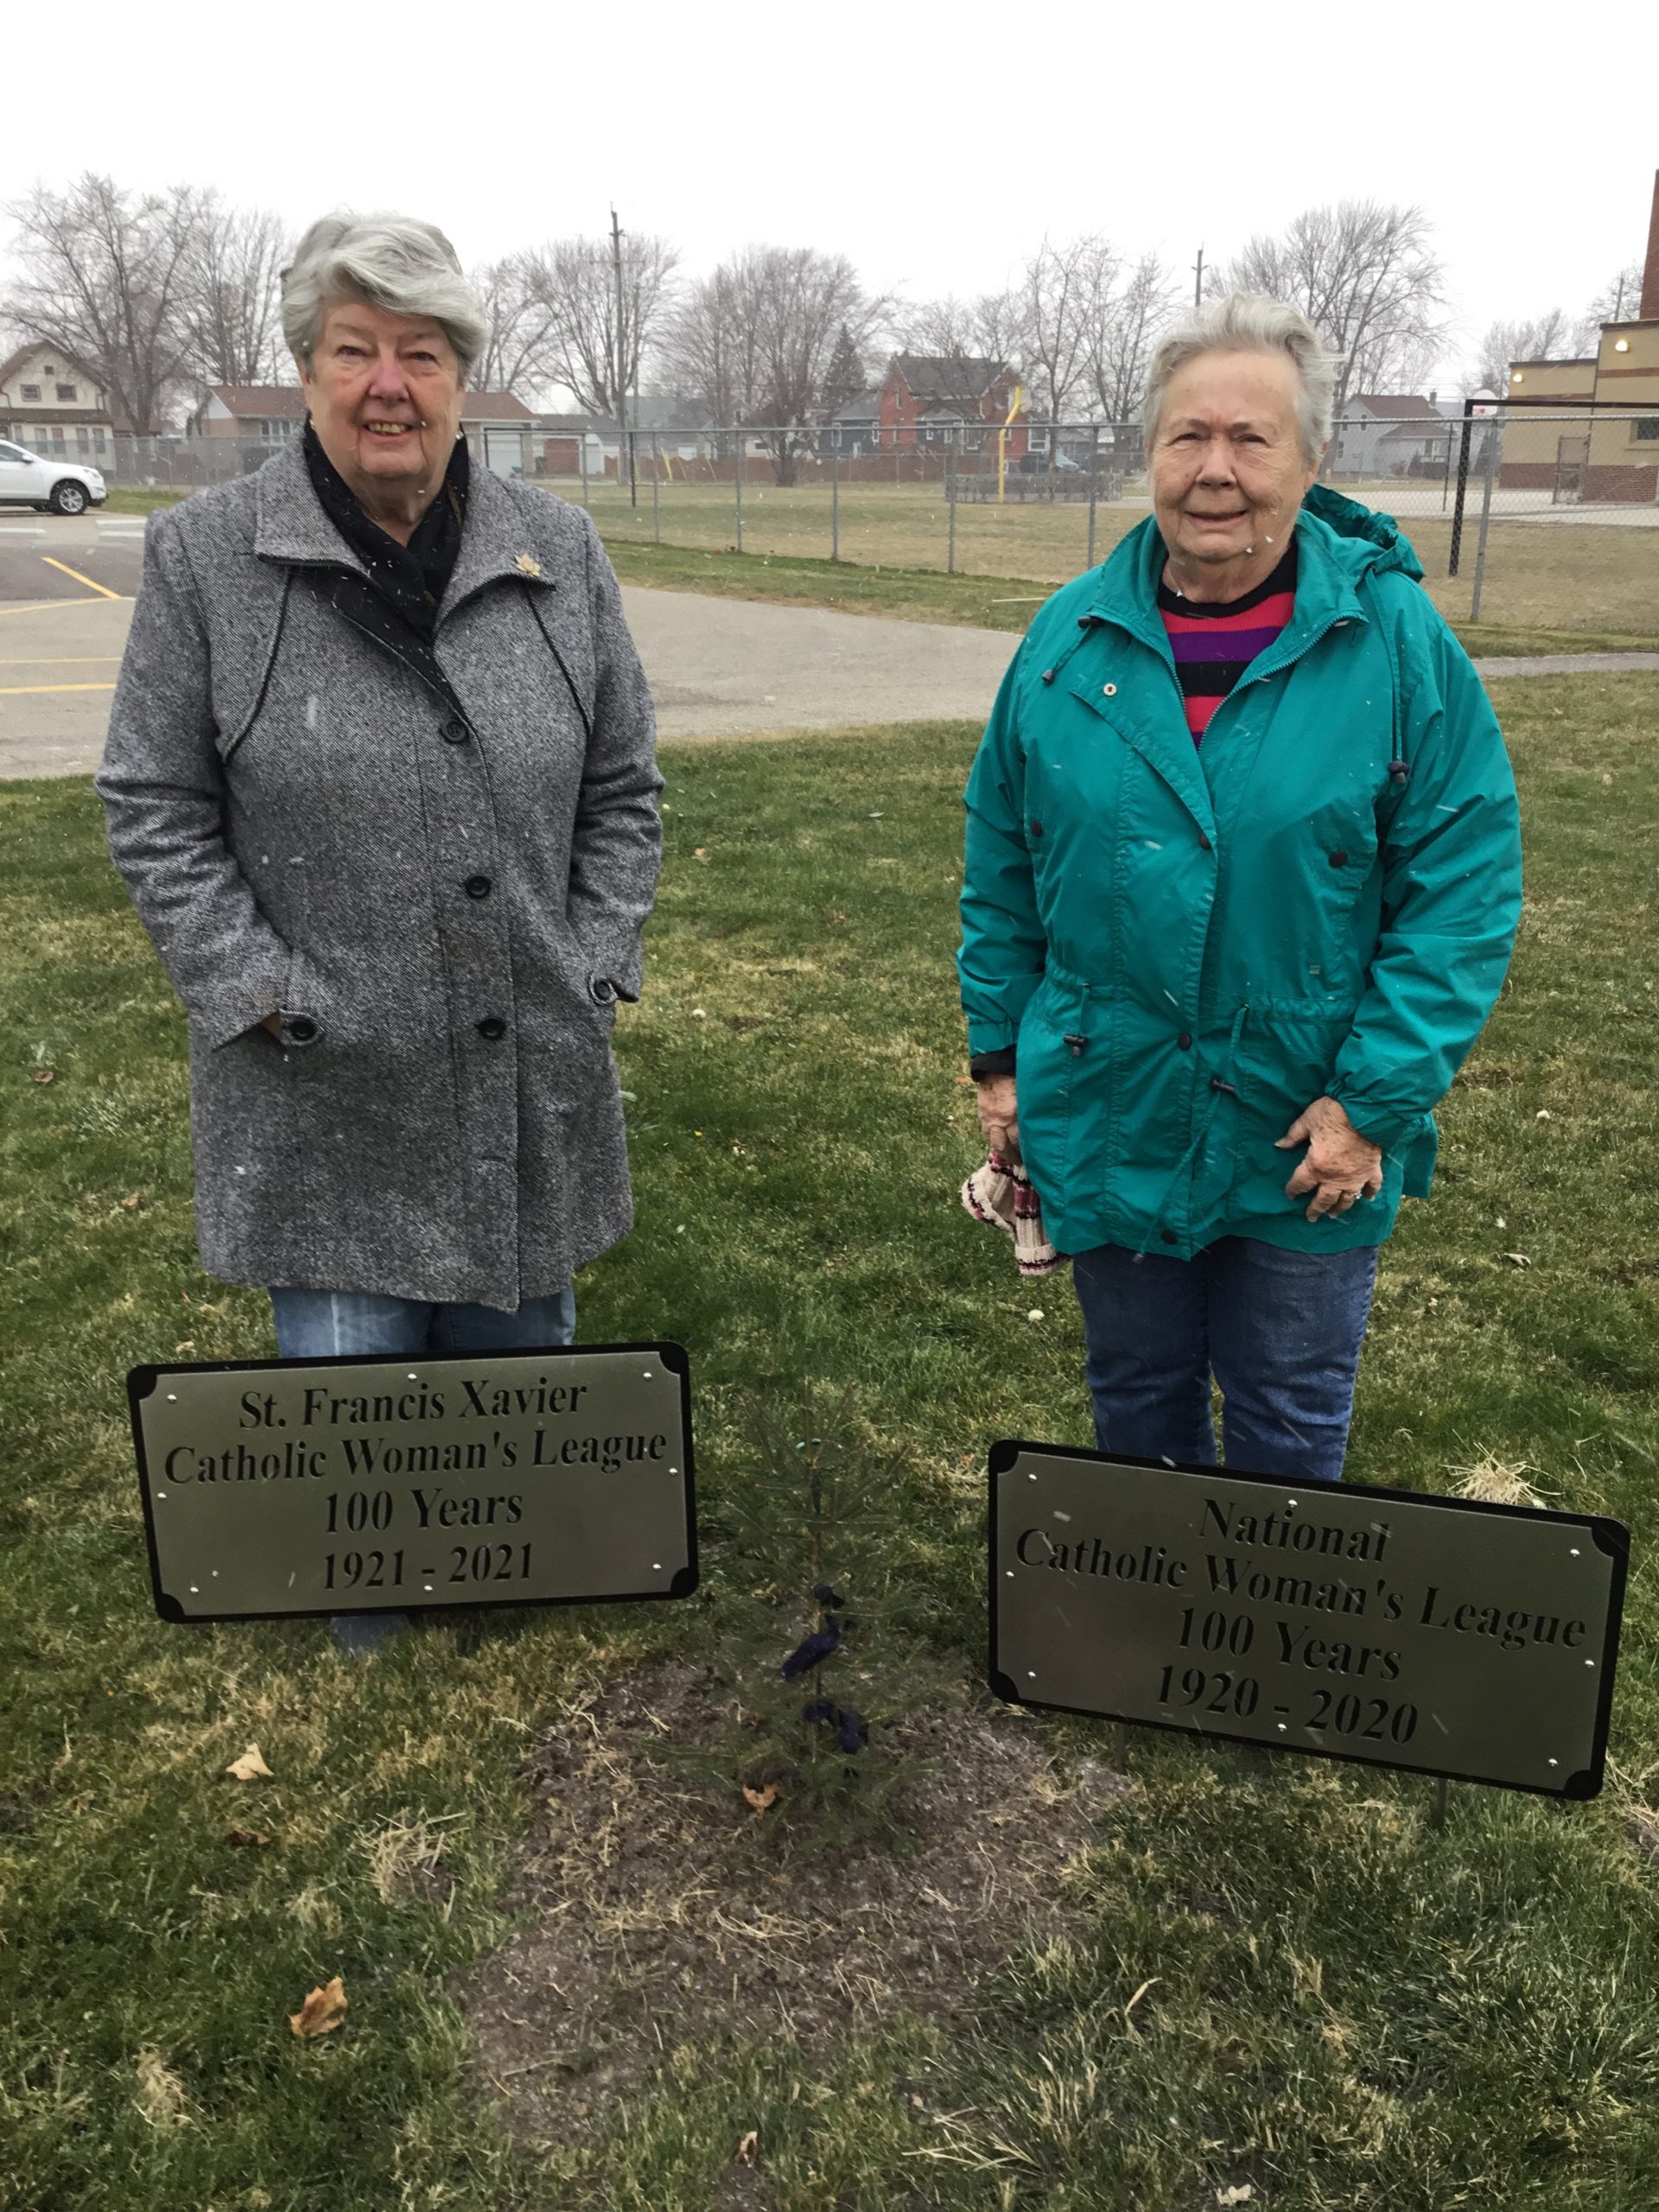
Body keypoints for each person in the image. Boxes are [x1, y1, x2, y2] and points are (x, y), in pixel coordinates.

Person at [99, 213, 662, 1648]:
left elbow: (623, 789)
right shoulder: (206, 559)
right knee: (354, 1427)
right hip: (323, 1081)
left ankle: (501, 1614)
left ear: (463, 376)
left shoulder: (560, 550)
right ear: (306, 370)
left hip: (527, 1055)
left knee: (517, 1390)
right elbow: (154, 803)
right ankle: (376, 1645)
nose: (388, 385)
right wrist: (258, 988)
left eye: (421, 352)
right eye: (354, 350)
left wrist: (594, 958)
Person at [958, 292, 1522, 1484]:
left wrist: (1373, 1102)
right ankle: (1148, 1606)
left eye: (1252, 439)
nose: (1215, 470)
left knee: (1288, 1425)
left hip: (1304, 1128)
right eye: (1188, 436)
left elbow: (1462, 890)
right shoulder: (1067, 640)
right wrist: (1001, 1056)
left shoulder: (1393, 644)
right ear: (1150, 454)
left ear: (1311, 460)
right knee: (1136, 1402)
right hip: (1112, 1104)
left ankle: (1268, 1614)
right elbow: (1002, 856)